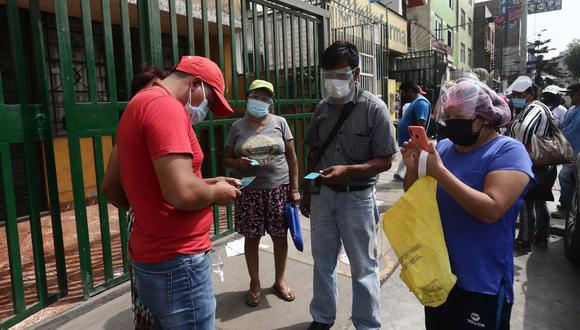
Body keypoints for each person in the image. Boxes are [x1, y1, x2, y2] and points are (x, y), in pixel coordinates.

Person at [113, 55, 241, 329]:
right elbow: (180, 192)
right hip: (178, 261)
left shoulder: (137, 105)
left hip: (154, 256)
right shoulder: (165, 108)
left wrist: (206, 184)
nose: (207, 109)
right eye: (210, 100)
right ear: (195, 83)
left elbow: (114, 187)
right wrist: (217, 193)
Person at [401, 80, 533, 330]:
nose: (451, 122)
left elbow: (492, 208)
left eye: (458, 115)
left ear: (484, 117)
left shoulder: (509, 152)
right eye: (447, 115)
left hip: (482, 283)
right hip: (439, 276)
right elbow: (414, 193)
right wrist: (411, 170)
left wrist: (439, 172)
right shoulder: (445, 148)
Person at [300, 41, 396, 330]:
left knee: (364, 266)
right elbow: (313, 153)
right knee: (322, 261)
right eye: (327, 74)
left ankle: (367, 324)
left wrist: (348, 171)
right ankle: (322, 316)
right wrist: (307, 190)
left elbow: (385, 161)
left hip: (358, 199)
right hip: (323, 197)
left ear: (356, 74)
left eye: (339, 75)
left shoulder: (374, 109)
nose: (333, 81)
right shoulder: (322, 109)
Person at [102, 66, 168, 329]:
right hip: (153, 229)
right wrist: (137, 208)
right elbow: (109, 187)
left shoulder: (157, 127)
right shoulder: (133, 135)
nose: (157, 94)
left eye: (160, 87)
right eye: (150, 88)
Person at [224, 80, 300, 307]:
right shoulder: (237, 127)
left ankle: (280, 280)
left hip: (279, 188)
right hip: (250, 192)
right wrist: (238, 162)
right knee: (252, 237)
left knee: (279, 236)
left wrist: (295, 188)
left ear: (271, 102)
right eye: (256, 97)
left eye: (265, 98)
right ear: (248, 98)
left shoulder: (281, 122)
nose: (260, 102)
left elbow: (292, 158)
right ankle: (255, 284)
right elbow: (226, 159)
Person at [508, 76, 556, 251]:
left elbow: (527, 129)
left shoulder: (534, 107)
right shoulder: (540, 107)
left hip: (533, 163)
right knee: (540, 201)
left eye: (519, 94)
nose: (516, 97)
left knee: (527, 201)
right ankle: (541, 237)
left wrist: (517, 147)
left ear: (531, 93)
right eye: (514, 94)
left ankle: (524, 240)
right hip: (543, 163)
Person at [552, 83, 580, 219]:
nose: (569, 97)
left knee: (564, 176)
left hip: (576, 153)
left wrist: (556, 132)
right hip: (568, 152)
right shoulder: (572, 109)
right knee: (570, 179)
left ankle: (566, 207)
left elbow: (570, 131)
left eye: (571, 94)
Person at [394, 81, 431, 180]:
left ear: (410, 91)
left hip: (413, 140)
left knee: (414, 159)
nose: (402, 95)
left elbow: (421, 123)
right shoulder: (415, 102)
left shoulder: (421, 103)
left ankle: (415, 178)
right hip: (410, 139)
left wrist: (416, 140)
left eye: (403, 92)